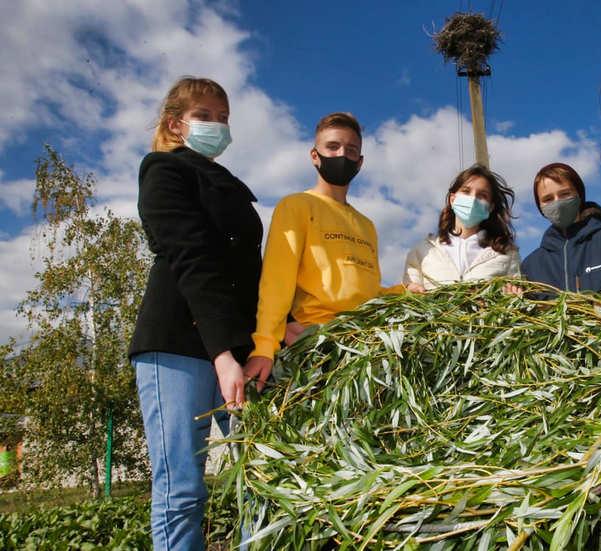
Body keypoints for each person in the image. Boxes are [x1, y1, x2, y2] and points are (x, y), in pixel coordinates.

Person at [130, 77, 262, 550]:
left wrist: (274, 327)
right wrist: (222, 353)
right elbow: (191, 259)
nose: (217, 125)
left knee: (261, 478)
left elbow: (249, 270)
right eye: (205, 116)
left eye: (224, 117)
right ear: (176, 123)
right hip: (180, 344)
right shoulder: (164, 171)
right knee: (183, 489)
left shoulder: (232, 187)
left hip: (238, 346)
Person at [244, 112, 388, 390]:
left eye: (351, 149)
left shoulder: (366, 225)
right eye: (332, 147)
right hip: (312, 343)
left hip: (361, 346)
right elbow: (277, 280)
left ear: (360, 163)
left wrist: (402, 292)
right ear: (314, 155)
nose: (342, 154)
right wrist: (264, 345)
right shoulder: (296, 206)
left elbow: (366, 290)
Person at [521, 162, 601, 300]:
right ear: (539, 206)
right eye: (548, 199)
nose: (557, 202)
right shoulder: (530, 266)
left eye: (565, 194)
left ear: (579, 194)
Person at [403, 164, 520, 291]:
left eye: (482, 195)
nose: (473, 198)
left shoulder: (507, 254)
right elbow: (409, 290)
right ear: (452, 199)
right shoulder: (422, 251)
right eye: (466, 191)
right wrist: (411, 290)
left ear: (490, 207)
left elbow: (515, 298)